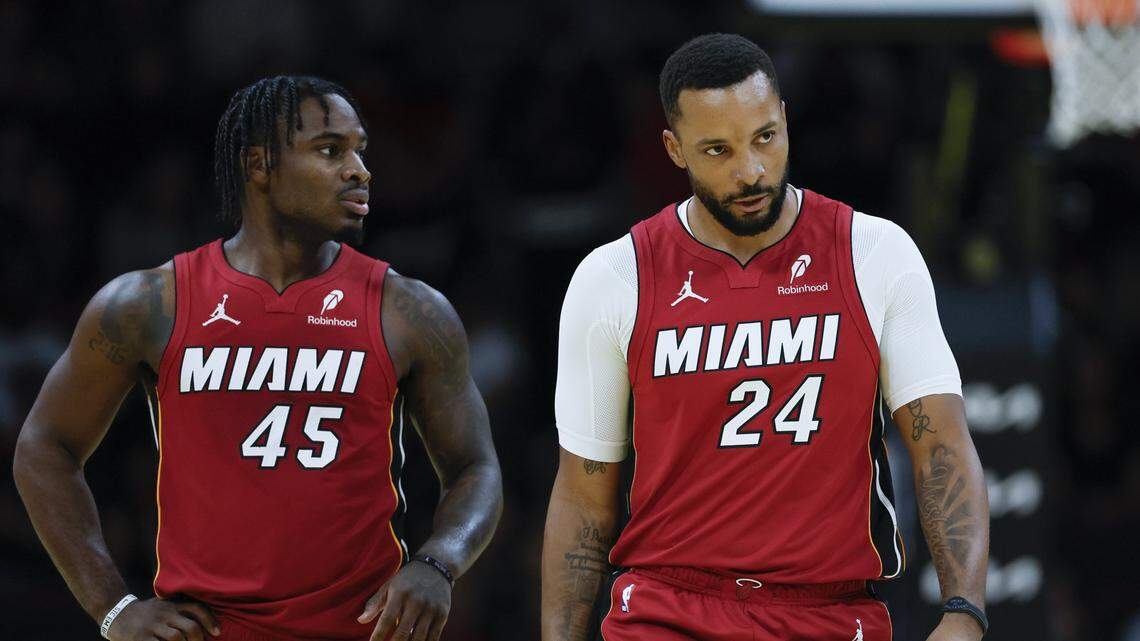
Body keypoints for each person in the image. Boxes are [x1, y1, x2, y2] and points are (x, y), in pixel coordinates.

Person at [13, 76, 503, 641]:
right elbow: (43, 448)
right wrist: (114, 609)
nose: (360, 170)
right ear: (259, 165)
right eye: (330, 150)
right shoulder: (149, 303)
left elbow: (476, 466)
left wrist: (439, 561)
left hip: (359, 629)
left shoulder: (411, 311)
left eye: (359, 149)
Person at [542, 34, 989, 641]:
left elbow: (939, 442)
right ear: (674, 150)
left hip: (830, 612)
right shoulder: (613, 278)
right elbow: (582, 495)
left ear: (785, 121)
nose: (749, 171)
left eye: (764, 138)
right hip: (667, 612)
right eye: (718, 150)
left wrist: (964, 611)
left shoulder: (875, 253)